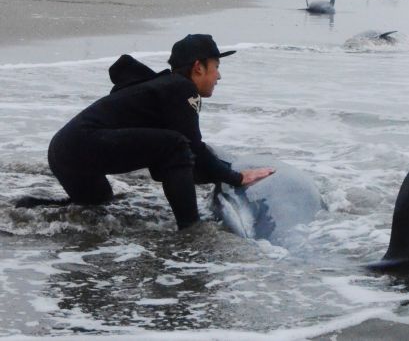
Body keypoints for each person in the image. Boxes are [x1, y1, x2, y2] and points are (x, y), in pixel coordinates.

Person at [17, 34, 274, 230]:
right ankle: (190, 229)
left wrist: (219, 170)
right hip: (83, 145)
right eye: (216, 67)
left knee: (96, 203)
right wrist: (236, 178)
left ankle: (21, 211)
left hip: (64, 150)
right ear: (198, 67)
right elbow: (191, 147)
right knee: (176, 145)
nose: (219, 76)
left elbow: (183, 160)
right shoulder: (181, 89)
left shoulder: (164, 87)